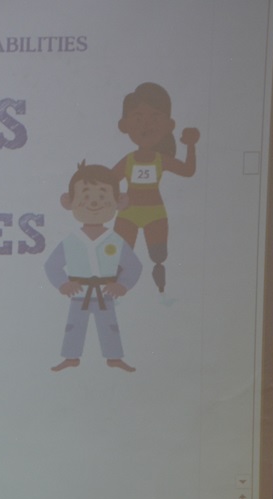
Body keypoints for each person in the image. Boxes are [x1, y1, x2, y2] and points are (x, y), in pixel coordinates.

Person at [45, 161, 143, 372]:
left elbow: (134, 266)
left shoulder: (115, 240)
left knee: (110, 326)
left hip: (105, 292)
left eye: (102, 197)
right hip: (79, 292)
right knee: (74, 326)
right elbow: (52, 265)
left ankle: (114, 357)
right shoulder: (72, 241)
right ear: (69, 202)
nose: (94, 203)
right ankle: (71, 357)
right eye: (86, 197)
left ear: (119, 201)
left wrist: (122, 284)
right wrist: (63, 284)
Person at [109, 82, 199, 293]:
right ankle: (116, 288)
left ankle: (160, 287)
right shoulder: (129, 160)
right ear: (125, 125)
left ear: (169, 125)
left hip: (155, 213)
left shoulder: (160, 159)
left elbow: (187, 171)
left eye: (155, 117)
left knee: (158, 254)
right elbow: (110, 179)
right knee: (121, 254)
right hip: (128, 213)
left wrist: (191, 146)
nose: (146, 125)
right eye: (138, 118)